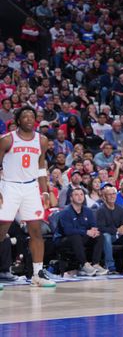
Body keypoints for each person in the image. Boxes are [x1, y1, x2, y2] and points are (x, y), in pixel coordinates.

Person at [0, 106, 56, 286]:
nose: (29, 119)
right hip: (9, 186)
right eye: (25, 116)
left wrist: (45, 191)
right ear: (18, 120)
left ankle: (37, 274)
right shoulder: (7, 140)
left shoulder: (42, 140)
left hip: (31, 188)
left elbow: (41, 167)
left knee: (36, 231)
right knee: (2, 231)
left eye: (32, 116)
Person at [54, 187, 106, 276]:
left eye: (81, 194)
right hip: (63, 239)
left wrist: (94, 230)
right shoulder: (65, 212)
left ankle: (95, 264)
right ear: (71, 198)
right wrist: (86, 232)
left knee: (99, 236)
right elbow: (68, 231)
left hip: (81, 237)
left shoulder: (88, 211)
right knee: (75, 236)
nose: (79, 197)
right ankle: (84, 264)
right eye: (76, 195)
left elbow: (93, 225)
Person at [95, 183, 123, 273]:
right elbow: (101, 228)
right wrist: (117, 230)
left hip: (120, 235)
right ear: (104, 197)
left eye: (114, 194)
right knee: (105, 236)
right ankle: (110, 266)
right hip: (109, 237)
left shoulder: (120, 209)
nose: (112, 196)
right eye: (109, 194)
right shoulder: (100, 210)